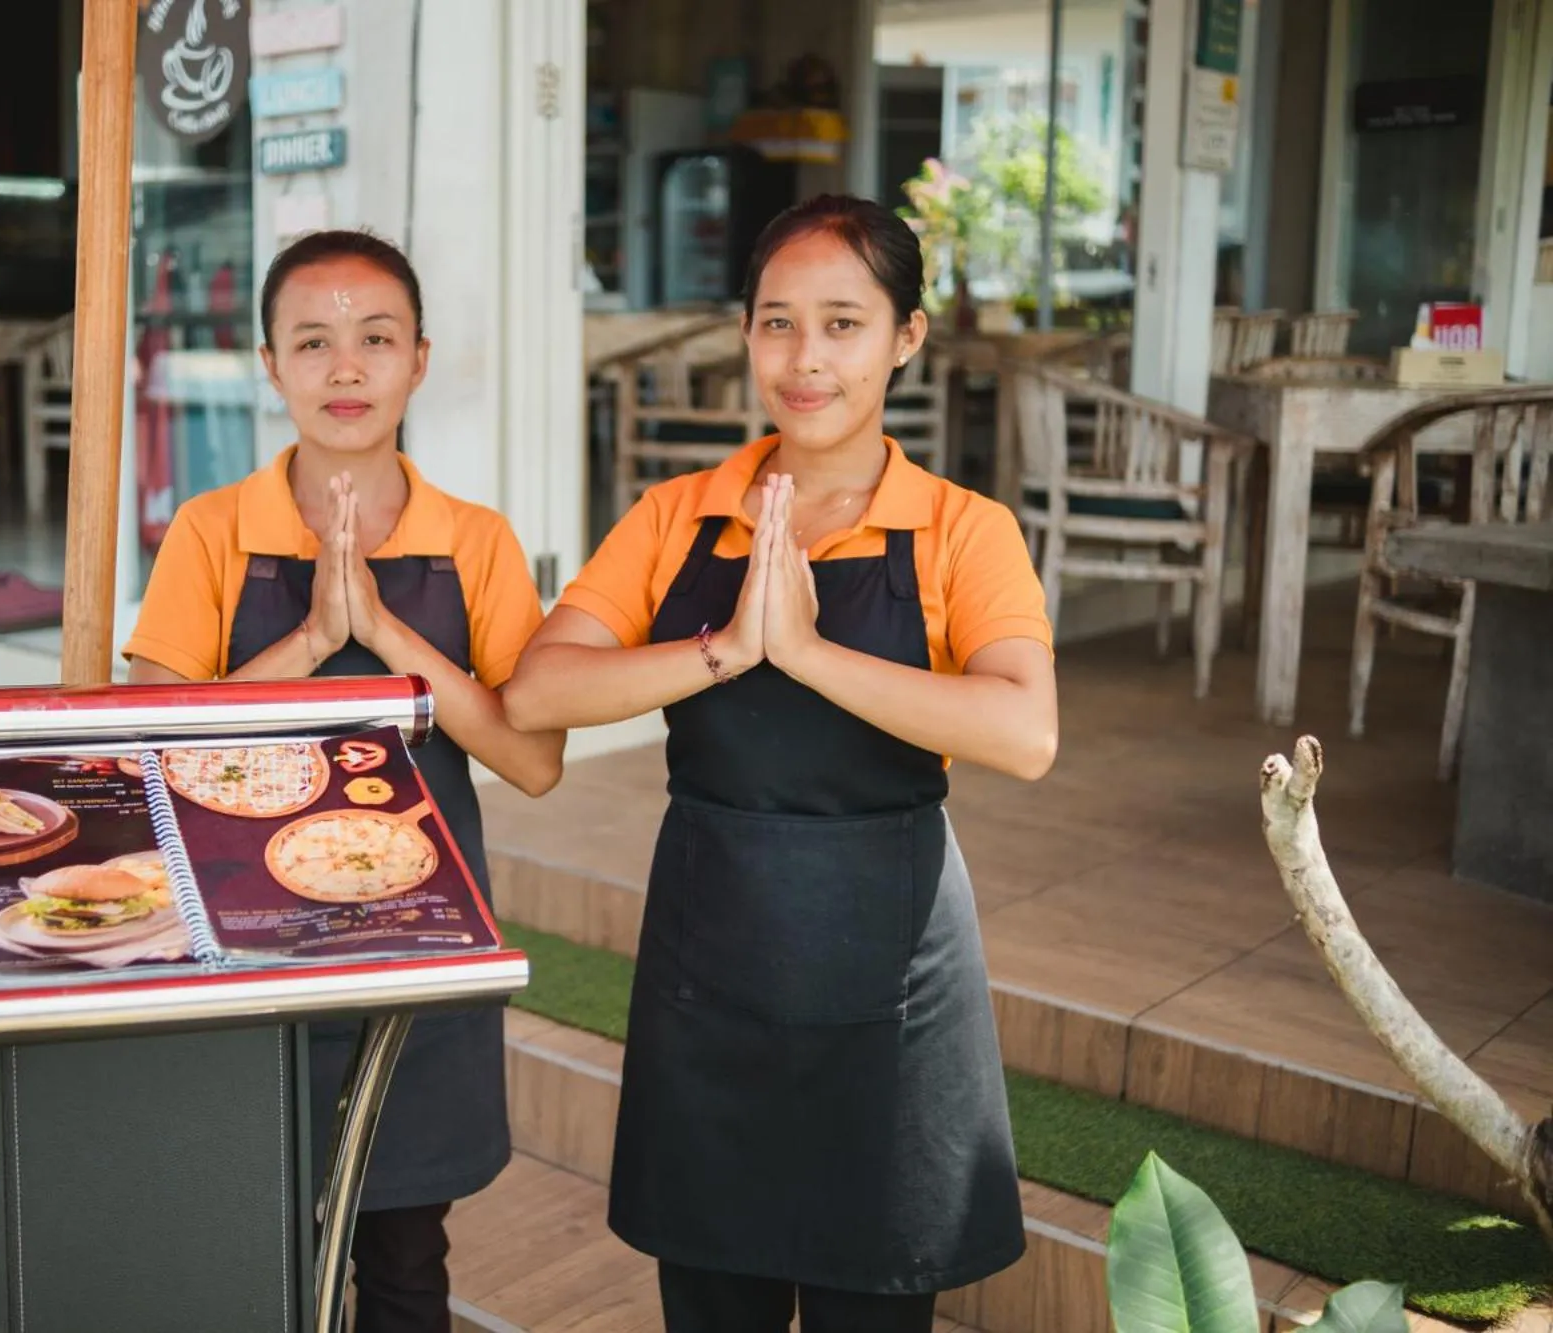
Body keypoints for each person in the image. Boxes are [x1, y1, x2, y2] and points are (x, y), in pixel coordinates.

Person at [503, 194, 1058, 1333]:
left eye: (843, 324)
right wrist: (722, 650)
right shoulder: (676, 517)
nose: (806, 360)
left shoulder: (961, 529)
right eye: (776, 323)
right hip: (711, 970)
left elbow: (1021, 731)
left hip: (890, 979)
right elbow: (538, 689)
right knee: (712, 1300)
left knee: (873, 1307)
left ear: (906, 335)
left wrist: (800, 651)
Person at [123, 229, 565, 1333]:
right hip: (242, 957)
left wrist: (393, 639)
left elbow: (531, 757)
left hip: (414, 953)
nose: (346, 368)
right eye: (311, 342)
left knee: (408, 1261)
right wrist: (318, 638)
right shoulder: (211, 530)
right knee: (254, 1248)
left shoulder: (477, 542)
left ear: (419, 358)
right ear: (267, 366)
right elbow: (147, 749)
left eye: (374, 339)